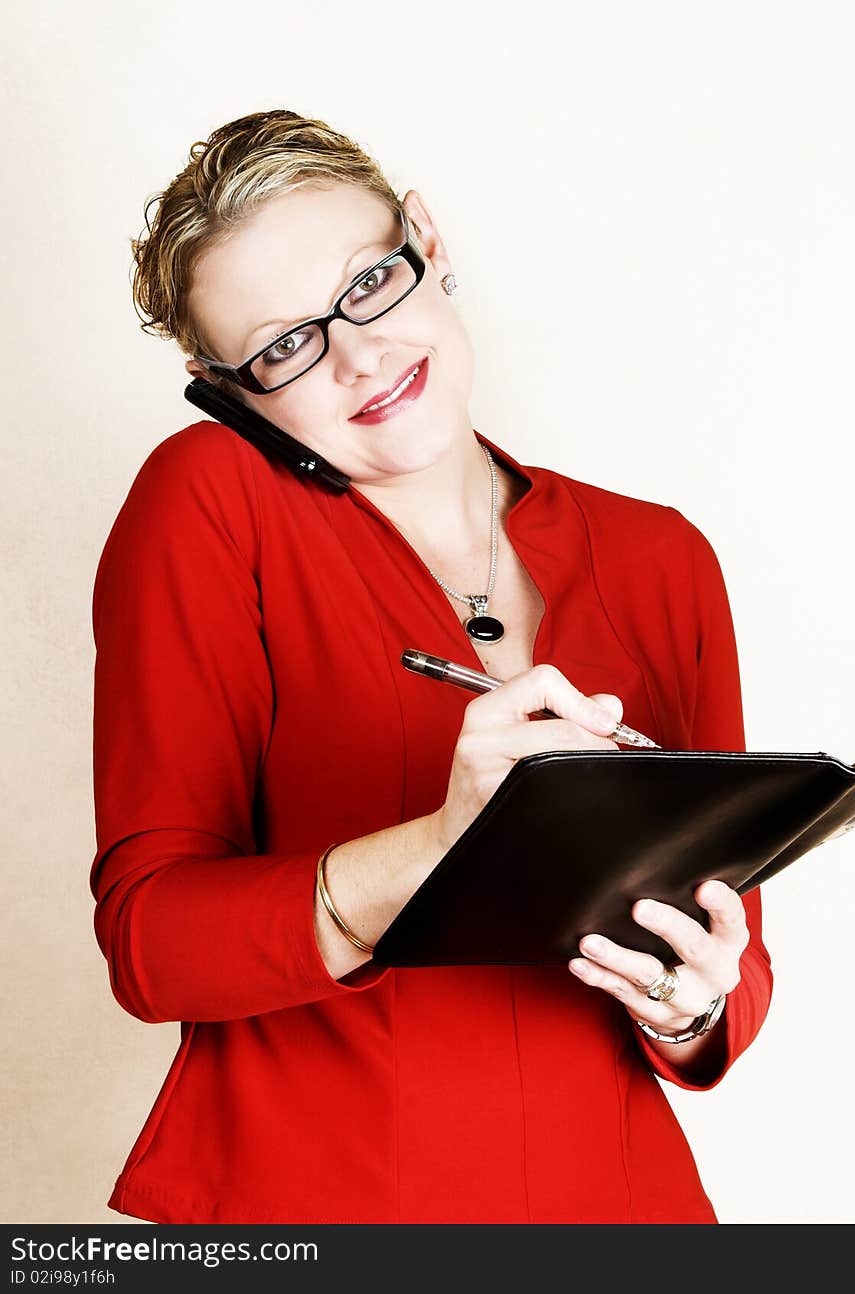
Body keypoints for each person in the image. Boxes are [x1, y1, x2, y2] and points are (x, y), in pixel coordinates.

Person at [90, 108, 773, 1225]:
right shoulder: (208, 500)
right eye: (281, 346)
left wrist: (685, 998)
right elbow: (153, 943)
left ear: (427, 240)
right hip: (316, 1207)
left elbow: (725, 963)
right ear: (227, 387)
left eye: (367, 284)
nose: (358, 355)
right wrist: (444, 848)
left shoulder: (663, 558)